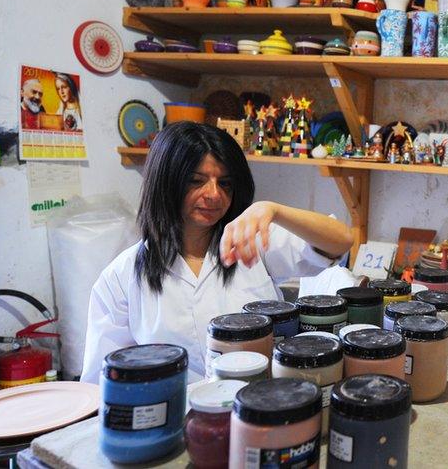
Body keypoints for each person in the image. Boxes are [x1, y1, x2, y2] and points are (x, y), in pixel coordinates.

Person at [81, 122, 354, 382]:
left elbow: (341, 240)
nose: (213, 194)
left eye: (224, 183)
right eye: (196, 181)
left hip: (260, 409)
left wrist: (272, 210)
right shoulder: (121, 277)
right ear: (166, 182)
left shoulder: (253, 242)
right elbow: (103, 382)